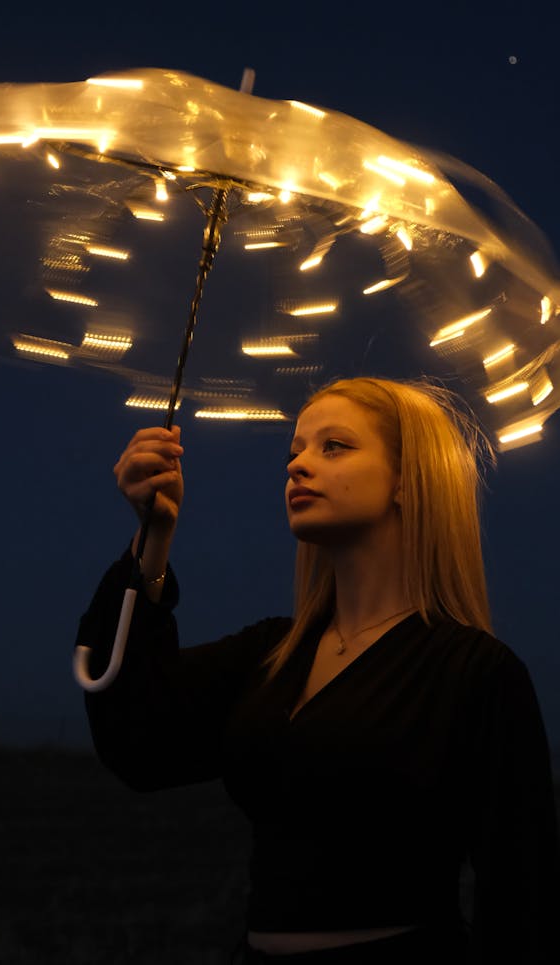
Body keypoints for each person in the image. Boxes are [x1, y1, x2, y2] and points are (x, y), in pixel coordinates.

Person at [76, 377, 560, 962]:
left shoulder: (475, 673)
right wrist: (153, 538)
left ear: (410, 479)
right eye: (295, 451)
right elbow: (138, 741)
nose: (298, 466)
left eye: (334, 446)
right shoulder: (272, 653)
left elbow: (521, 899)